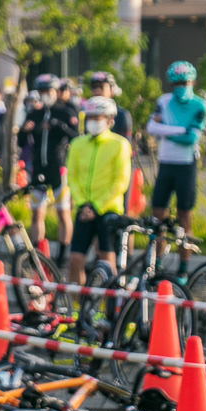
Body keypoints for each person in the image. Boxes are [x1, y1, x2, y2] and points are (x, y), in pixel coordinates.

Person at [147, 61, 206, 281]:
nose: (181, 86)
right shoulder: (163, 101)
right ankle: (158, 263)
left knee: (185, 218)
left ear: (192, 81)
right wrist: (180, 129)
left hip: (186, 165)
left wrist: (165, 131)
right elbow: (151, 128)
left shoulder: (200, 105)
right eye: (176, 83)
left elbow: (191, 139)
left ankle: (184, 269)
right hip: (166, 163)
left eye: (184, 82)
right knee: (158, 217)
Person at [66, 97, 132, 285]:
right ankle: (76, 309)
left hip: (108, 209)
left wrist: (97, 207)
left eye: (98, 117)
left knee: (106, 262)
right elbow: (72, 177)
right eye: (89, 117)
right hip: (84, 208)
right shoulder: (78, 144)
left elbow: (120, 182)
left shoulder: (120, 144)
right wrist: (82, 203)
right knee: (75, 260)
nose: (92, 121)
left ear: (110, 120)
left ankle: (104, 310)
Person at [21, 73, 80, 267]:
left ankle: (63, 255)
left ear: (57, 92)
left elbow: (76, 138)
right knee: (37, 213)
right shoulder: (34, 113)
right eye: (42, 91)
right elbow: (21, 143)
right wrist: (25, 130)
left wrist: (58, 126)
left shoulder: (66, 112)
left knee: (63, 213)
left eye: (49, 91)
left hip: (58, 168)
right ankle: (37, 253)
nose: (46, 95)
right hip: (38, 168)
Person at [88, 71, 132, 140]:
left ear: (111, 90)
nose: (97, 90)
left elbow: (126, 142)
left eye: (101, 87)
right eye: (94, 87)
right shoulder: (87, 113)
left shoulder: (121, 114)